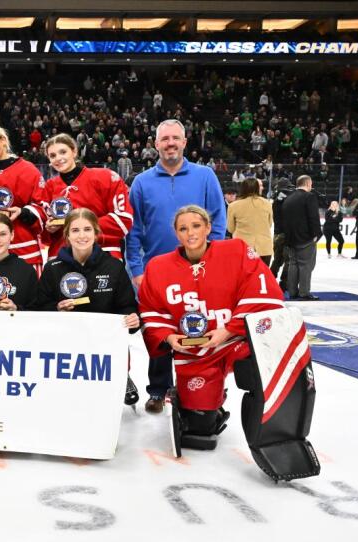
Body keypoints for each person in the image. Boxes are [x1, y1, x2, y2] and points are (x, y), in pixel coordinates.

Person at [138, 205, 285, 453]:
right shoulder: (158, 267)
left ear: (208, 227)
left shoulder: (236, 251)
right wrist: (169, 337)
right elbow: (151, 309)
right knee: (199, 433)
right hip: (194, 353)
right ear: (176, 233)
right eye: (183, 228)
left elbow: (265, 293)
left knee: (264, 366)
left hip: (235, 340)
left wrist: (228, 330)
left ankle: (276, 431)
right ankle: (204, 405)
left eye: (196, 226)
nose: (190, 233)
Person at [125, 119, 226, 414]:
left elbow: (218, 222)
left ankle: (196, 388)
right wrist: (136, 269)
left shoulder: (205, 176)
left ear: (184, 142)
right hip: (155, 272)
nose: (170, 143)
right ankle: (158, 390)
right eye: (165, 139)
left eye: (175, 138)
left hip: (196, 269)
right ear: (156, 144)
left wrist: (210, 262)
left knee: (197, 327)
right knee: (158, 331)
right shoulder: (142, 182)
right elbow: (133, 229)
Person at [36, 208, 141, 405]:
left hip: (104, 348)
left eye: (87, 229)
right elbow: (38, 308)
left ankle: (122, 375)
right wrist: (56, 308)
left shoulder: (114, 266)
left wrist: (133, 319)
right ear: (67, 234)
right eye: (75, 230)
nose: (81, 236)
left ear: (96, 233)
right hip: (65, 346)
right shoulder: (53, 269)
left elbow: (127, 306)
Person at [39, 134, 133, 261]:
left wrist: (79, 228)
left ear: (74, 151)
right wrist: (50, 229)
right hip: (62, 257)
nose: (58, 158)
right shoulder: (49, 187)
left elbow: (124, 219)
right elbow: (43, 235)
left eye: (63, 152)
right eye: (53, 155)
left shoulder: (105, 177)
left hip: (101, 254)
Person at [0, 122, 46, 276]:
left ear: (3, 140)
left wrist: (23, 212)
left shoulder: (28, 170)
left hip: (21, 247)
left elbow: (43, 206)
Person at [281, 175, 322, 300]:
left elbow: (284, 219)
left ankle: (292, 292)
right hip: (306, 238)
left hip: (291, 238)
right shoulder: (309, 197)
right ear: (308, 183)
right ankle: (304, 293)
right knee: (305, 265)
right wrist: (316, 234)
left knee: (293, 264)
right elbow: (313, 217)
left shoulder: (288, 198)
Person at [226, 176, 274, 266]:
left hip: (243, 249)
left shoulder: (233, 206)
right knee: (262, 274)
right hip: (264, 248)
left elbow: (230, 229)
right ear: (257, 188)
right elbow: (270, 224)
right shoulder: (267, 203)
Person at [270, 179, 295, 287]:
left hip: (277, 234)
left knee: (277, 260)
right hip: (286, 234)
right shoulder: (284, 200)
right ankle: (284, 283)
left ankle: (270, 280)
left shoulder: (276, 200)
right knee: (288, 260)